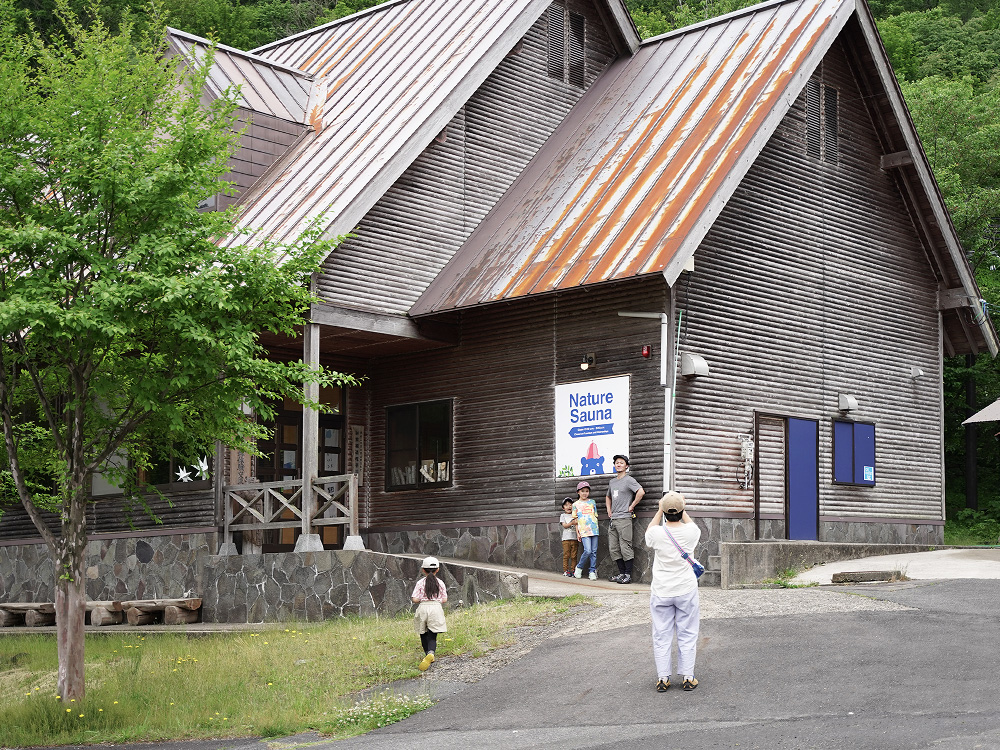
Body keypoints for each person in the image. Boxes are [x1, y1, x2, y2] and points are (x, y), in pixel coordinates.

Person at [645, 491, 701, 692]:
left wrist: (660, 509)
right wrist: (681, 506)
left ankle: (663, 678)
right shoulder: (691, 532)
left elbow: (650, 531)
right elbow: (691, 524)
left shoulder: (656, 534)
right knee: (688, 632)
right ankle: (688, 676)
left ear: (664, 512)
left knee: (661, 633)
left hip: (662, 590)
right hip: (685, 589)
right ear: (682, 510)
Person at [605, 454, 644, 583]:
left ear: (626, 466)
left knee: (625, 547)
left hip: (625, 518)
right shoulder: (612, 481)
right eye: (617, 462)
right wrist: (609, 510)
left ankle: (627, 575)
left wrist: (632, 505)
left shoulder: (629, 480)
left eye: (621, 463)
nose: (618, 464)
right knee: (614, 548)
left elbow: (641, 491)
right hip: (613, 519)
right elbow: (608, 496)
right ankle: (621, 574)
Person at [412, 556, 448, 671]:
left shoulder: (420, 582)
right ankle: (431, 653)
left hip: (423, 607)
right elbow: (444, 599)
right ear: (437, 569)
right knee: (433, 634)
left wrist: (422, 599)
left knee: (423, 632)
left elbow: (415, 599)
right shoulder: (440, 583)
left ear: (423, 570)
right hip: (436, 608)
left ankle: (427, 653)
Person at [571, 480, 600, 580]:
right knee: (587, 550)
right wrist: (577, 532)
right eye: (582, 491)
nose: (585, 493)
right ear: (578, 492)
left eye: (587, 491)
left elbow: (595, 515)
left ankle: (592, 571)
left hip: (594, 529)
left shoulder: (592, 502)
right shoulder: (575, 504)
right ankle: (579, 568)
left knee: (594, 552)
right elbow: (575, 520)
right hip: (583, 530)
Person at [559, 497, 580, 577]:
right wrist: (572, 523)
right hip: (566, 539)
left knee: (574, 555)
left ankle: (573, 570)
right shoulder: (563, 516)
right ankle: (566, 570)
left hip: (574, 538)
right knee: (566, 555)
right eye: (566, 505)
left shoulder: (575, 515)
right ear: (563, 507)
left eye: (570, 505)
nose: (569, 506)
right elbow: (564, 525)